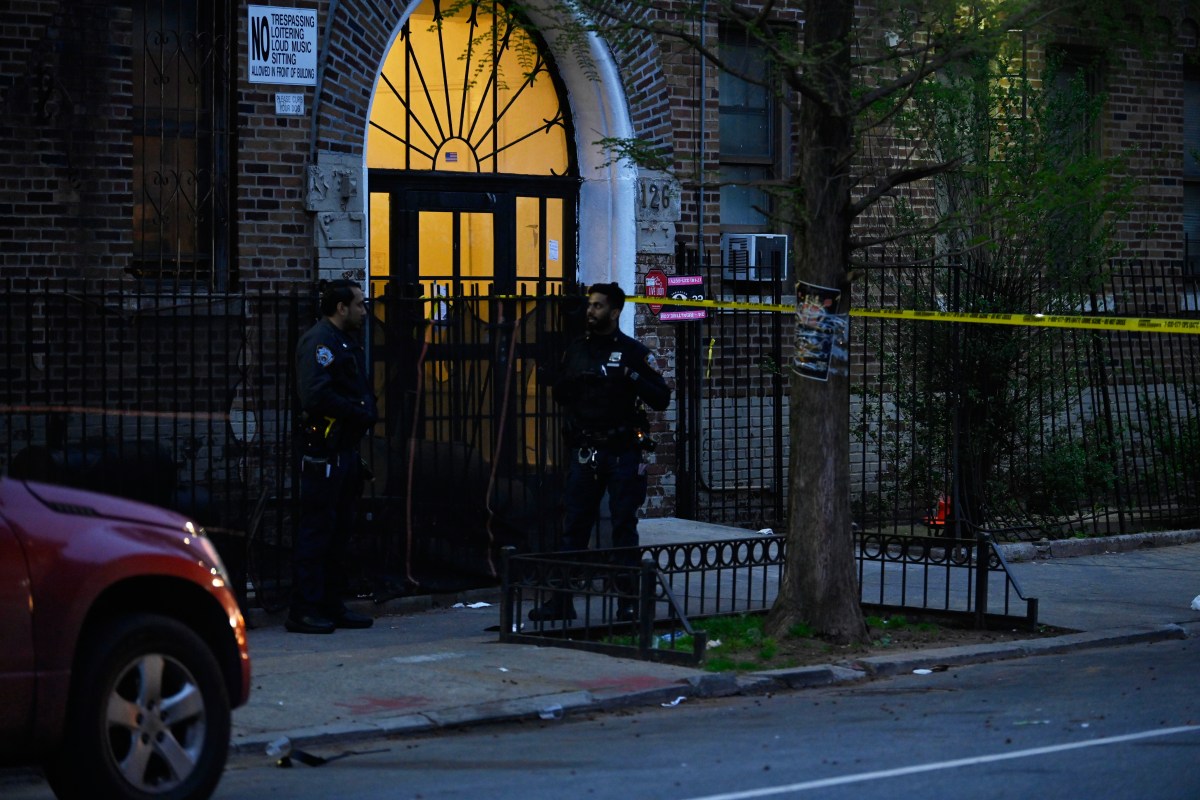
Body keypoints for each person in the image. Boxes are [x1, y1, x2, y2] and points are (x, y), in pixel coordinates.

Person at [530, 282, 671, 622]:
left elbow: (661, 397)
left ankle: (627, 600)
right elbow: (561, 394)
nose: (590, 311)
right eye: (590, 305)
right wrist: (574, 382)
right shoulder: (577, 349)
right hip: (586, 449)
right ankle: (561, 600)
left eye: (597, 306)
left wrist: (628, 375)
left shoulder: (632, 352)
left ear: (615, 311)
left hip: (622, 450)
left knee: (623, 525)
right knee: (574, 523)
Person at [289, 279, 379, 634]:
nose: (364, 310)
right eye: (359, 304)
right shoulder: (319, 342)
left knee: (338, 531)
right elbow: (315, 396)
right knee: (317, 531)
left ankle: (330, 604)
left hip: (343, 451)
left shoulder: (342, 341)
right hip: (322, 453)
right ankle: (304, 609)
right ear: (341, 307)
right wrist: (357, 412)